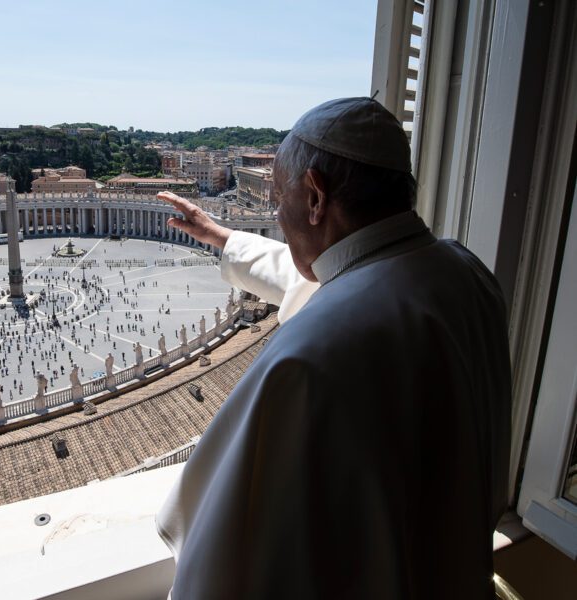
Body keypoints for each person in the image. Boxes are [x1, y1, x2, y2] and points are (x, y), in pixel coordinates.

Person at [155, 97, 511, 599]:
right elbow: (332, 275)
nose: (276, 214)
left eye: (279, 198)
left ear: (316, 197)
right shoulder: (466, 272)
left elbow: (224, 555)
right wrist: (222, 236)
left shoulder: (309, 355)